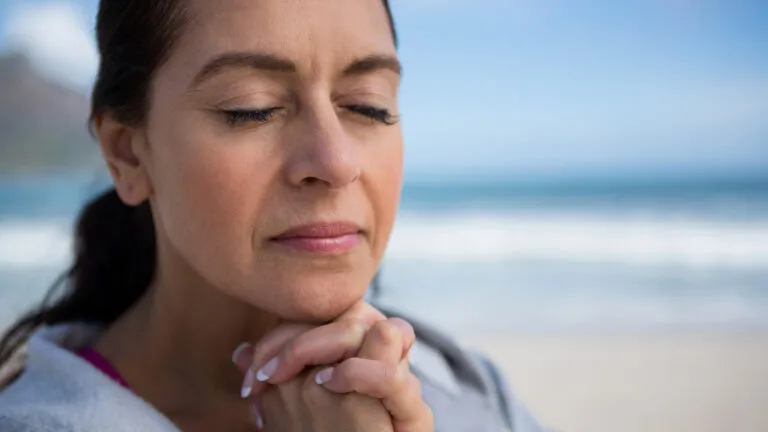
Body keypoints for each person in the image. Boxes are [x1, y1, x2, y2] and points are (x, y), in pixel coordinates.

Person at [0, 1, 542, 431]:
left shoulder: (466, 387)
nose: (336, 162)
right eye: (251, 108)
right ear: (129, 154)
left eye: (368, 105)